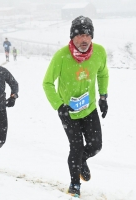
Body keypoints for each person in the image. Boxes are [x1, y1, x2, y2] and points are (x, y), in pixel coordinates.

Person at [42, 16, 109, 198]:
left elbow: (103, 74)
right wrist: (59, 105)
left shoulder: (100, 52)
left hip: (89, 108)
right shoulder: (62, 56)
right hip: (68, 112)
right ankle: (74, 185)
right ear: (72, 36)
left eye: (87, 34)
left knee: (96, 146)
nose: (84, 39)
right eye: (79, 35)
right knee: (76, 147)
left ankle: (81, 160)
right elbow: (47, 82)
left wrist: (103, 97)